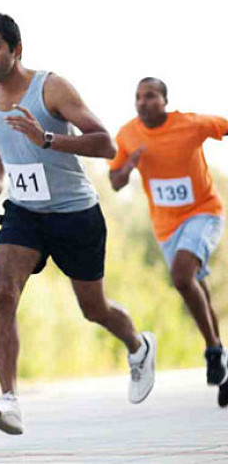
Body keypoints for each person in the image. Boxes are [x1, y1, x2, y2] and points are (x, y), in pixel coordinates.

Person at [0, 12, 156, 435]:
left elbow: (106, 144)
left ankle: (138, 345)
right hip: (25, 213)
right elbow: (3, 135)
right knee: (2, 292)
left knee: (94, 308)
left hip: (75, 213)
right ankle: (10, 402)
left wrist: (47, 139)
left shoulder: (51, 88)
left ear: (17, 49)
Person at [109, 77, 228, 406]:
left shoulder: (190, 124)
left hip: (203, 212)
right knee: (195, 286)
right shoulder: (128, 134)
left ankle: (213, 350)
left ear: (164, 100)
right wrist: (128, 167)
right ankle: (220, 358)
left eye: (150, 96)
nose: (142, 102)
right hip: (166, 227)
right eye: (138, 97)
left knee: (181, 276)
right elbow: (115, 182)